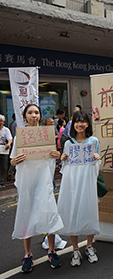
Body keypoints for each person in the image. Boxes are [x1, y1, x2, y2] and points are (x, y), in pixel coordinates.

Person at [10, 104, 64, 272]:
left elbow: (54, 156)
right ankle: (28, 255)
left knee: (49, 214)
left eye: (36, 112)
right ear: (24, 115)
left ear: (40, 115)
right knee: (26, 214)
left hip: (44, 182)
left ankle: (52, 250)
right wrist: (15, 161)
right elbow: (12, 160)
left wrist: (57, 155)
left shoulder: (46, 135)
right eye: (30, 112)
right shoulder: (20, 137)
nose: (33, 115)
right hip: (27, 183)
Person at [57, 111, 100, 266]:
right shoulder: (68, 143)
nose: (80, 124)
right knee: (73, 212)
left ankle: (89, 245)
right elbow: (64, 168)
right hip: (73, 185)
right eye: (77, 121)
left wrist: (97, 158)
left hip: (88, 183)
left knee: (89, 212)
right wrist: (62, 159)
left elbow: (97, 166)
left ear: (88, 124)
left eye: (83, 121)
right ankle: (75, 249)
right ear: (73, 124)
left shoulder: (93, 141)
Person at [0, 115, 13, 187]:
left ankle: (1, 181)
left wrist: (9, 143)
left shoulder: (6, 130)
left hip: (3, 149)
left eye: (0, 121)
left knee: (3, 166)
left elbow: (10, 139)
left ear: (3, 122)